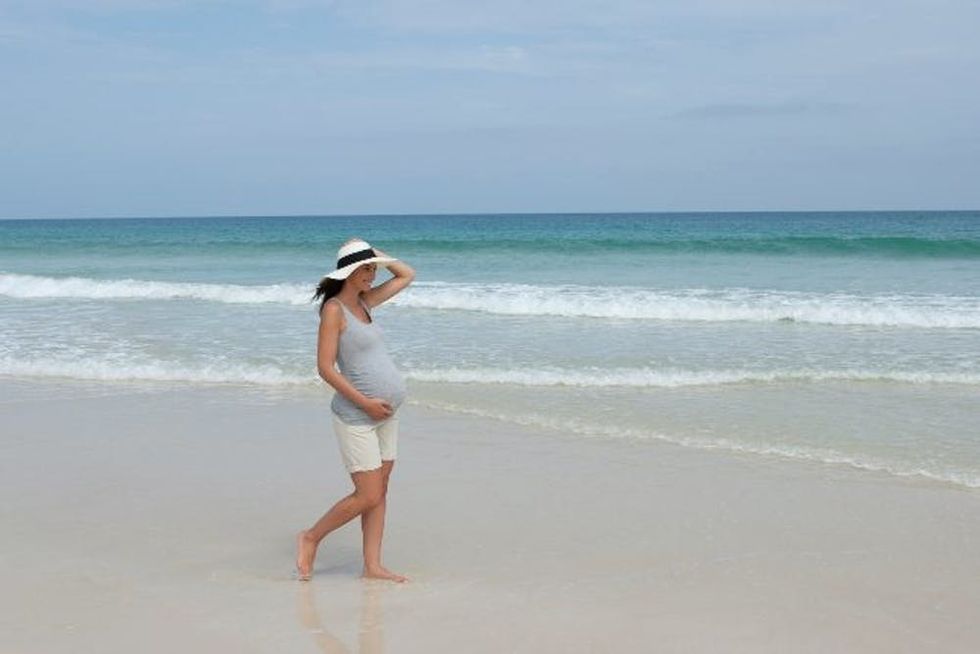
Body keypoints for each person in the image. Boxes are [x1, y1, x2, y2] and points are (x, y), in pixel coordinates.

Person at [296, 238, 415, 583]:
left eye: (373, 269)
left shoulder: (365, 303)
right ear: (348, 272)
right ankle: (310, 537)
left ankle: (372, 566)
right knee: (369, 493)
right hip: (357, 416)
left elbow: (406, 275)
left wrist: (373, 253)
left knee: (381, 491)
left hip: (385, 415)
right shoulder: (334, 310)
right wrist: (365, 403)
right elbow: (325, 367)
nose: (373, 275)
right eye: (365, 270)